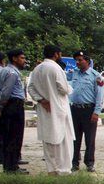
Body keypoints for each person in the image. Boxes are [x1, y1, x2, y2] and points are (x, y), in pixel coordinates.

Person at [27, 45, 75, 175]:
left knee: (48, 139)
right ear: (56, 54)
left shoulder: (37, 69)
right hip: (59, 108)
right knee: (63, 140)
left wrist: (41, 100)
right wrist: (70, 89)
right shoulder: (56, 68)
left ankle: (52, 169)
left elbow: (30, 88)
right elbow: (64, 88)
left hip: (45, 108)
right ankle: (63, 170)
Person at [69, 50, 104, 173]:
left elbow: (99, 95)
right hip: (75, 109)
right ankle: (74, 163)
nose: (77, 62)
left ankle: (89, 162)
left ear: (87, 61)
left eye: (80, 60)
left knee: (89, 139)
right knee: (75, 138)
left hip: (89, 110)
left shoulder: (96, 76)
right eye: (76, 60)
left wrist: (96, 112)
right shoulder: (75, 74)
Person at [0, 50, 28, 174]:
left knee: (9, 136)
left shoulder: (4, 70)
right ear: (14, 59)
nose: (24, 60)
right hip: (13, 105)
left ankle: (10, 165)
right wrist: (1, 106)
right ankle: (12, 167)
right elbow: (6, 92)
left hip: (10, 105)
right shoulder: (12, 73)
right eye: (22, 58)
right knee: (15, 136)